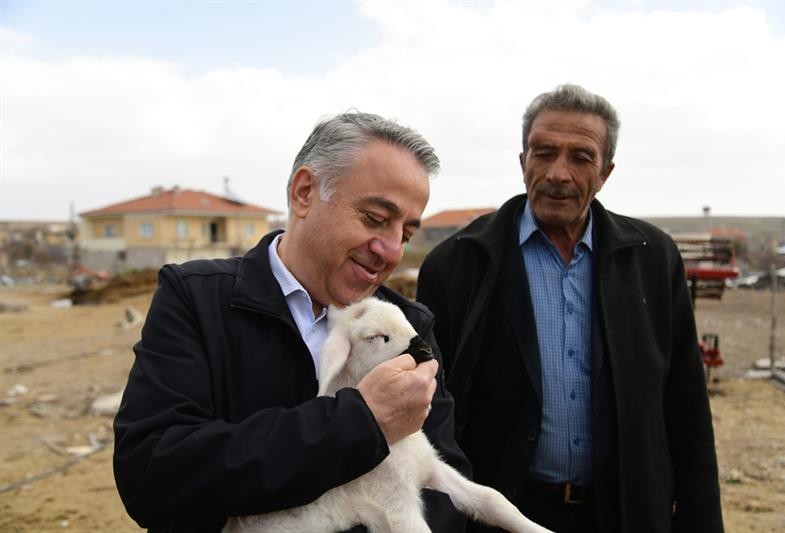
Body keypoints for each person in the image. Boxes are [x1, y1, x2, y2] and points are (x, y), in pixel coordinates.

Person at [113, 112, 471, 532]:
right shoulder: (197, 297)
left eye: (406, 234)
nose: (391, 250)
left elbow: (444, 492)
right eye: (375, 219)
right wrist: (359, 423)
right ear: (304, 193)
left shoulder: (409, 327)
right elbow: (152, 476)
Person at [417, 84, 724, 533]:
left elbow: (686, 404)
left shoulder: (652, 259)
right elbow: (428, 413)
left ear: (605, 174)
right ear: (523, 162)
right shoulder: (458, 263)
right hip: (500, 516)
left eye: (581, 158)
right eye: (544, 153)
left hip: (624, 512)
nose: (558, 173)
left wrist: (701, 520)